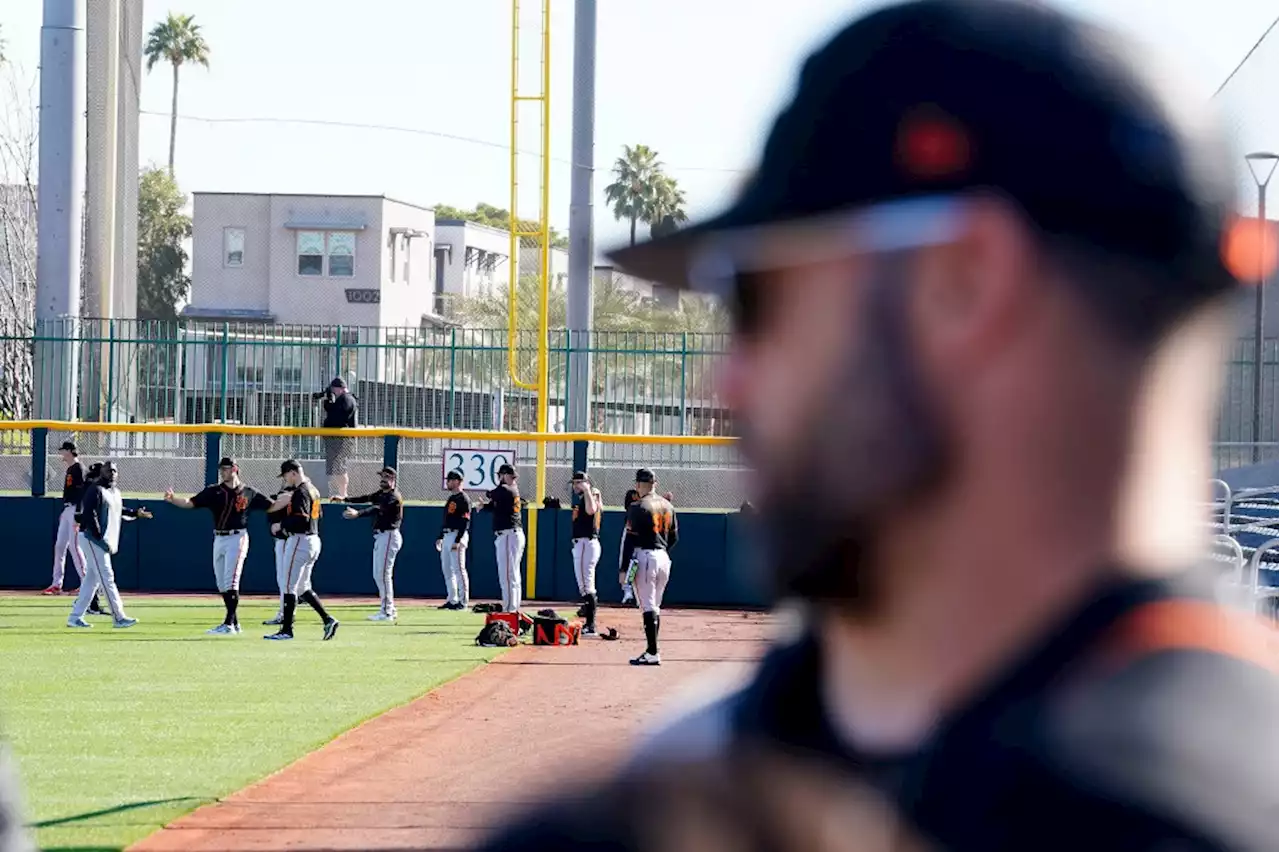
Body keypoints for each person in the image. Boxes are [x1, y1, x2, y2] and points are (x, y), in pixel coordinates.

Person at [474, 1, 1280, 849]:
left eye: (758, 304)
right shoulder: (702, 759)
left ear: (964, 283)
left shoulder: (1199, 811)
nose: (728, 383)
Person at [163, 457, 274, 635]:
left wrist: (290, 499)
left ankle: (228, 624)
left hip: (237, 537)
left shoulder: (248, 492)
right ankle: (235, 623)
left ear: (235, 469)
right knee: (222, 583)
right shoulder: (214, 491)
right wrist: (173, 499)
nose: (222, 472)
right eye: (221, 469)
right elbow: (190, 503)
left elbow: (272, 506)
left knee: (231, 581)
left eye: (226, 469)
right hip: (219, 538)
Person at [67, 462, 150, 629]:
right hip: (92, 538)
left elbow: (119, 510)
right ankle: (119, 617)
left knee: (91, 580)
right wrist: (99, 538)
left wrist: (136, 513)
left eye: (114, 470)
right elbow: (90, 514)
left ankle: (75, 617)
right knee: (107, 577)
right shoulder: (95, 489)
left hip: (101, 541)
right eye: (108, 470)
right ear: (102, 472)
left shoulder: (114, 492)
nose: (112, 473)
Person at [266, 460, 339, 641]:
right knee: (301, 587)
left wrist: (280, 525)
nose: (285, 480)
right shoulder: (313, 489)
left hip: (300, 539)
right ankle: (328, 619)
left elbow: (301, 519)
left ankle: (286, 630)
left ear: (292, 473)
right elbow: (318, 516)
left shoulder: (301, 491)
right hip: (313, 539)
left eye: (285, 475)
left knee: (289, 585)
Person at [337, 466, 405, 621]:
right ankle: (389, 608)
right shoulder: (382, 494)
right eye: (382, 476)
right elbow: (366, 498)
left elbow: (376, 508)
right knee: (378, 574)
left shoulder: (394, 496)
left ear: (393, 479)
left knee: (383, 574)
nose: (383, 479)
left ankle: (387, 611)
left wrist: (358, 514)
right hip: (382, 537)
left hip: (389, 535)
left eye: (387, 477)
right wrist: (345, 499)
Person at [624, 469, 677, 666]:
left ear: (639, 484)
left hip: (645, 556)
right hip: (664, 557)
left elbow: (630, 541)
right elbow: (674, 537)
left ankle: (653, 652)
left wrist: (623, 570)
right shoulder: (668, 505)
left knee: (647, 606)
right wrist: (662, 550)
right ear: (655, 483)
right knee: (656, 606)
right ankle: (652, 650)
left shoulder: (638, 506)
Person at [477, 463, 525, 612]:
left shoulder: (507, 489)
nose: (501, 478)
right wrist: (484, 506)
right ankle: (512, 607)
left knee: (508, 574)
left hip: (509, 534)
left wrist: (488, 497)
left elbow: (492, 493)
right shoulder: (509, 490)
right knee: (512, 574)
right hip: (511, 534)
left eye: (502, 475)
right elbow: (495, 505)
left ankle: (510, 610)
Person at [43, 441, 87, 596]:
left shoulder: (78, 468)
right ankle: (56, 584)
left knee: (74, 547)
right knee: (60, 546)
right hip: (68, 508)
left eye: (62, 450)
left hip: (75, 509)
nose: (61, 453)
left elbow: (83, 492)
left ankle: (86, 583)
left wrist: (78, 514)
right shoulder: (70, 468)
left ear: (69, 451)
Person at [569, 471, 603, 636]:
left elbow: (591, 510)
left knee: (587, 585)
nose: (575, 486)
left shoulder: (590, 496)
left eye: (578, 483)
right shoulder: (586, 497)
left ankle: (591, 625)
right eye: (574, 483)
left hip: (587, 543)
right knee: (584, 586)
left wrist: (588, 489)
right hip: (582, 543)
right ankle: (589, 623)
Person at [314, 376, 358, 499]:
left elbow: (337, 416)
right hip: (336, 439)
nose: (332, 392)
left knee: (340, 467)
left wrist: (329, 403)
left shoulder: (347, 399)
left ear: (339, 389)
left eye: (333, 389)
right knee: (337, 467)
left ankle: (343, 493)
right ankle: (342, 492)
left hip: (341, 439)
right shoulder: (343, 399)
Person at [436, 469, 472, 611]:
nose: (448, 482)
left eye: (450, 480)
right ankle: (452, 599)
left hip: (457, 535)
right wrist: (440, 536)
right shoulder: (451, 498)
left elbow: (465, 521)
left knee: (459, 569)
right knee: (447, 569)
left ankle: (463, 601)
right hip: (447, 535)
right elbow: (446, 519)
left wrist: (458, 540)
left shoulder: (464, 499)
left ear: (457, 481)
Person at [263, 482, 294, 627]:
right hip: (288, 541)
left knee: (285, 580)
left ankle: (284, 614)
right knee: (288, 581)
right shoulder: (278, 504)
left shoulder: (300, 501)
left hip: (288, 541)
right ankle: (286, 612)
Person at [617, 487, 640, 605]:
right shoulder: (632, 507)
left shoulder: (647, 504)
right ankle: (628, 593)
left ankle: (633, 593)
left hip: (642, 542)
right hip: (630, 537)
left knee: (635, 566)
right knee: (627, 564)